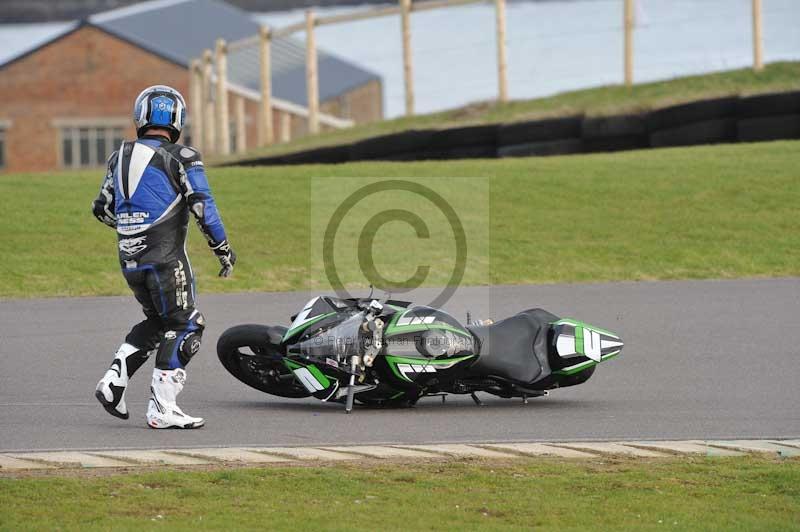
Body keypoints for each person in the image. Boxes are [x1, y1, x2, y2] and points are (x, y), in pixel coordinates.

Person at [92, 85, 236, 429]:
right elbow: (202, 206)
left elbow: (102, 209)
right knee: (187, 324)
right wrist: (223, 249)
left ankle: (113, 381)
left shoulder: (118, 156)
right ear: (178, 119)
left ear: (140, 116)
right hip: (165, 258)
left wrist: (131, 228)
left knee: (159, 322)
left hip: (130, 260)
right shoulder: (183, 156)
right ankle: (162, 408)